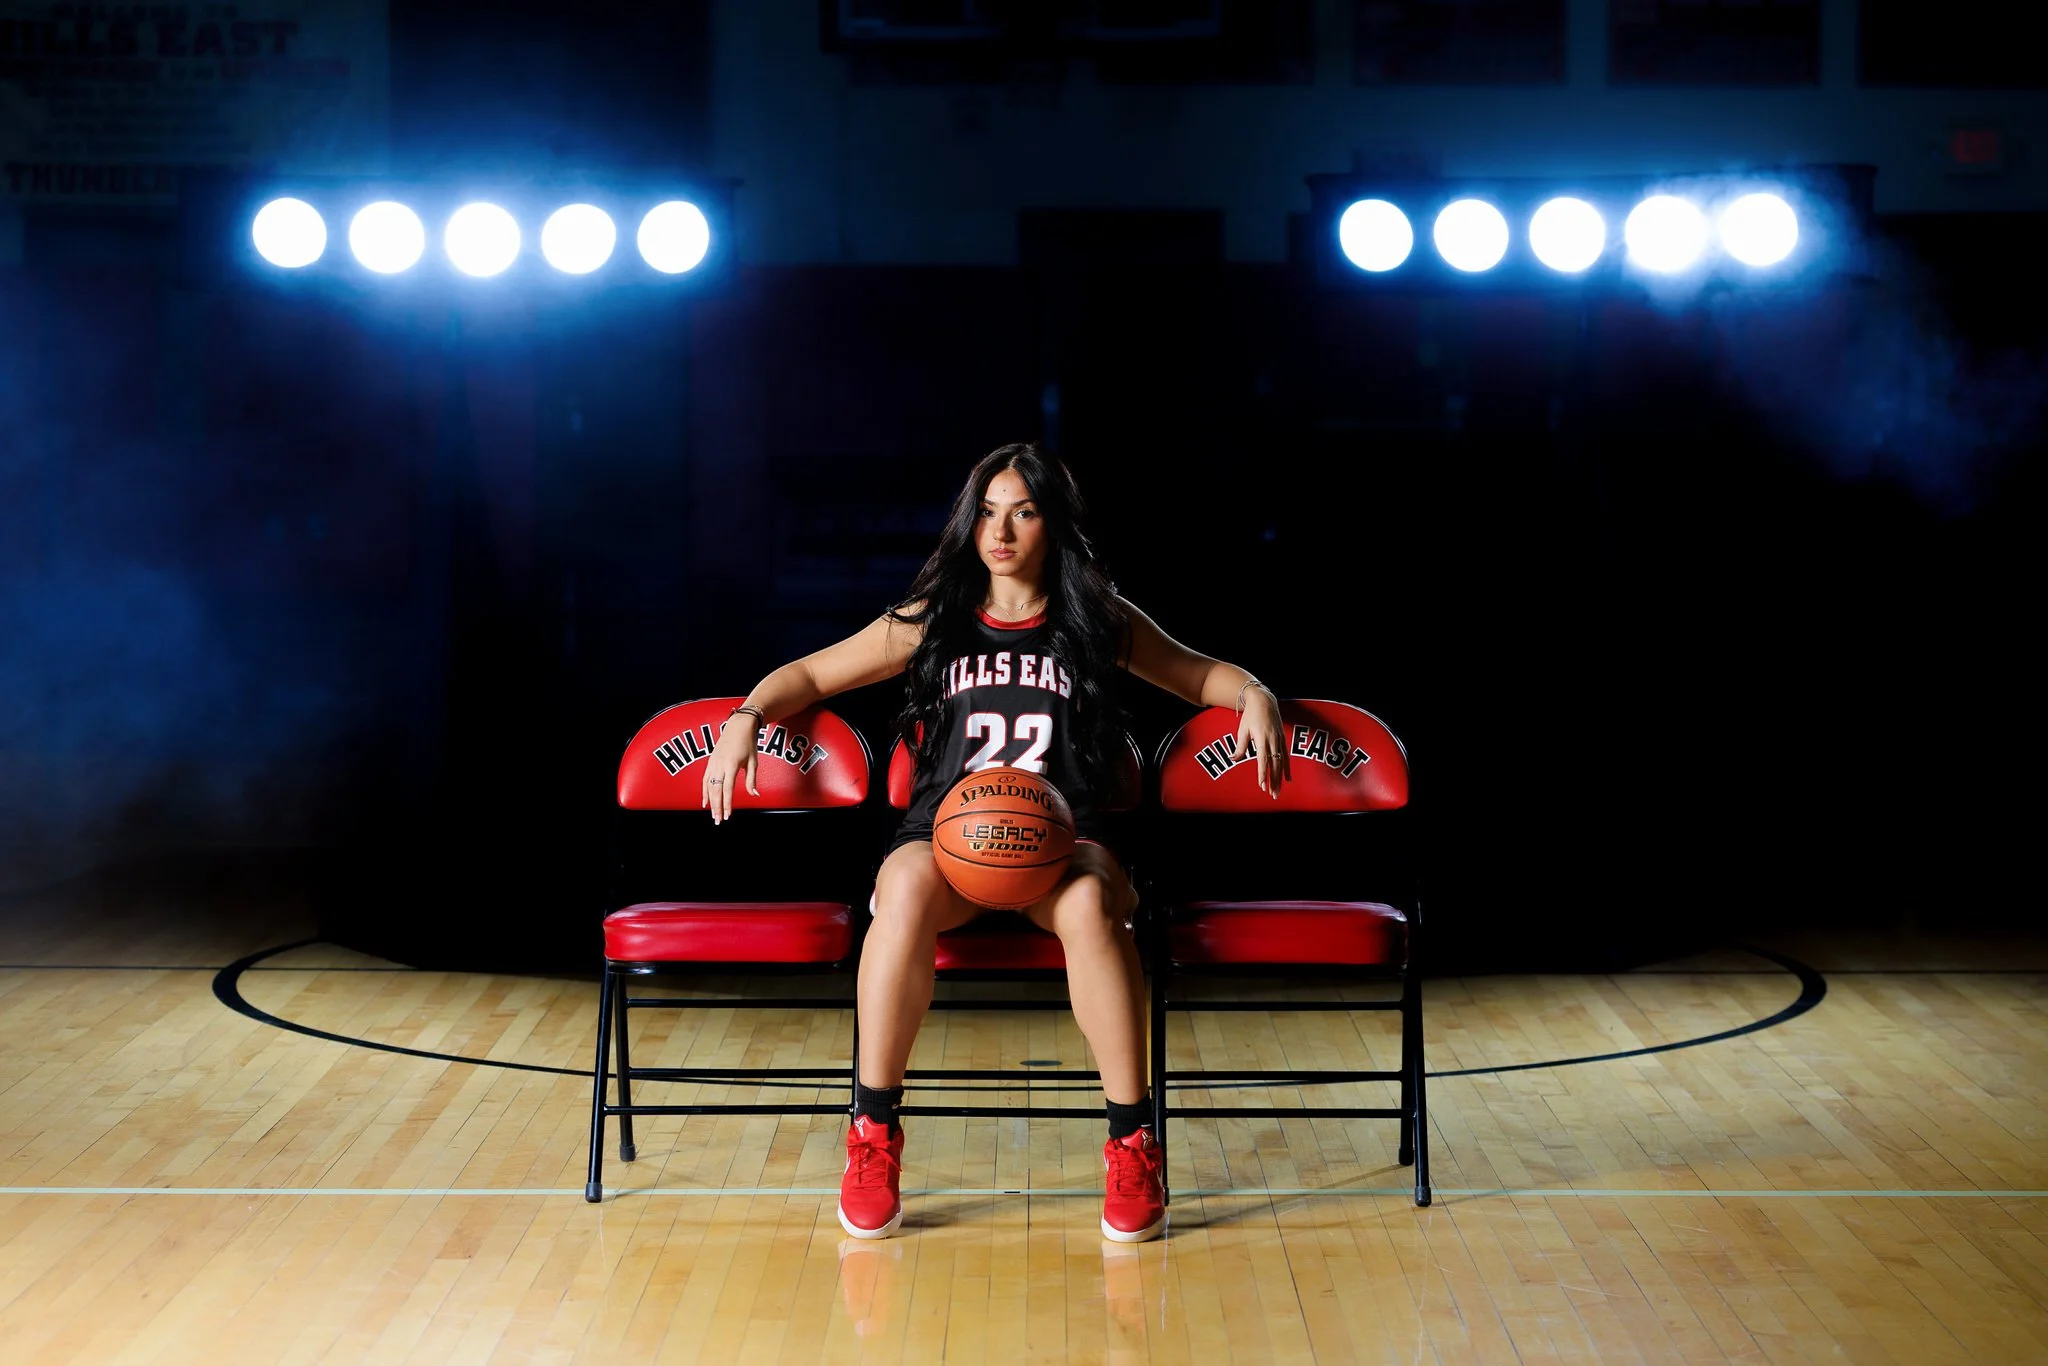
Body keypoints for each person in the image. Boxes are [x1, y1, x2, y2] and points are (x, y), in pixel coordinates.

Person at [699, 442, 1289, 1242]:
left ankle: (1132, 1142)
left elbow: (1198, 674)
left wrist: (1253, 693)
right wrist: (747, 718)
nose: (1000, 529)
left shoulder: (1096, 618)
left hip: (1067, 841)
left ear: (1053, 523)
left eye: (1023, 510)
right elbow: (809, 675)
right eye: (986, 509)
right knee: (901, 888)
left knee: (1088, 908)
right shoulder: (933, 616)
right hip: (951, 843)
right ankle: (872, 1135)